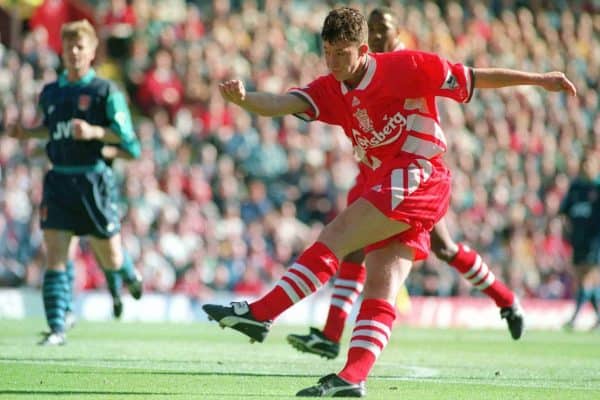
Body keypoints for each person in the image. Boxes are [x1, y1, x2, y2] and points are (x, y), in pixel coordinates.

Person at [203, 7, 576, 397]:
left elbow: (474, 77)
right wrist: (244, 101)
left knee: (339, 235)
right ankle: (352, 378)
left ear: (363, 49)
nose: (332, 62)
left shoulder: (408, 66)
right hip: (389, 182)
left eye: (341, 53)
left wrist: (539, 80)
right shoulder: (332, 88)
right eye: (327, 52)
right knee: (380, 281)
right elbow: (281, 103)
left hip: (420, 174)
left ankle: (261, 314)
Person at [286, 7, 523, 361]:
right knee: (351, 244)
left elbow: (456, 85)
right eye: (375, 30)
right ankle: (332, 333)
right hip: (372, 171)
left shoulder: (403, 65)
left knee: (443, 248)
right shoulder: (359, 68)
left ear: (398, 33)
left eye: (385, 30)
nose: (379, 36)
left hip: (410, 174)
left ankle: (505, 298)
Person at [7, 20, 143, 346]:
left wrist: (95, 132)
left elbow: (128, 141)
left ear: (92, 51)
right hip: (59, 179)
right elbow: (51, 129)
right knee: (55, 254)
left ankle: (127, 273)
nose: (74, 53)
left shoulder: (105, 92)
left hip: (93, 180)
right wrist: (28, 133)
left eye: (80, 46)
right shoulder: (51, 93)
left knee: (108, 256)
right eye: (69, 47)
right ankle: (56, 328)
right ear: (62, 51)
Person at [560, 152, 600, 330]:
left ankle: (575, 318)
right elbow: (564, 212)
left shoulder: (598, 187)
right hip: (578, 239)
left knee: (588, 277)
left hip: (595, 239)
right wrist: (566, 230)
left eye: (589, 163)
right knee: (582, 277)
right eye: (583, 163)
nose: (585, 167)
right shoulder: (575, 187)